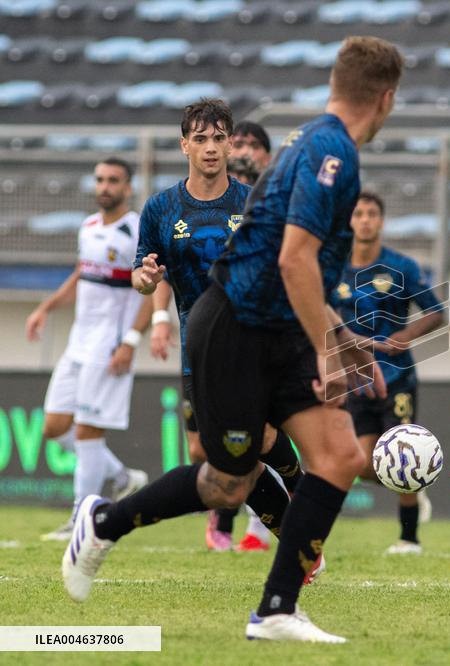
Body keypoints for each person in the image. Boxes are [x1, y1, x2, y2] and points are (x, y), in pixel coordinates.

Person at [62, 36, 403, 644]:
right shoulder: (334, 155)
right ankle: (105, 522)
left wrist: (344, 336)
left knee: (339, 457)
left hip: (266, 325)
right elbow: (296, 259)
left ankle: (276, 608)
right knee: (228, 481)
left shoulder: (311, 141)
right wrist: (327, 344)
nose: (216, 147)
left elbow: (292, 259)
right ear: (386, 98)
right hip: (237, 326)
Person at [141, 100, 304, 553]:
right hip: (198, 346)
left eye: (218, 138)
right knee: (209, 456)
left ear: (230, 144)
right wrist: (147, 284)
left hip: (252, 342)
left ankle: (298, 512)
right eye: (200, 139)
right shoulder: (160, 208)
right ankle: (296, 523)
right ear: (184, 146)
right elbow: (143, 272)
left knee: (256, 442)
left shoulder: (253, 204)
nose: (210, 148)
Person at [26, 158, 150, 541]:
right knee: (54, 426)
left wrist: (131, 341)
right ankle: (122, 477)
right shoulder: (88, 227)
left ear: (128, 187)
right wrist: (46, 307)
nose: (105, 186)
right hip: (78, 342)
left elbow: (154, 288)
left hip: (108, 346)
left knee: (87, 433)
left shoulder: (136, 231)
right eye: (100, 179)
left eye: (113, 180)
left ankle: (83, 518)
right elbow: (83, 274)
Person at [338, 191, 444, 555]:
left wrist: (405, 336)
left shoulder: (401, 267)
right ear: (349, 221)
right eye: (358, 213)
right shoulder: (334, 268)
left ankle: (409, 539)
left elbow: (435, 311)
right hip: (355, 380)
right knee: (364, 466)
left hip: (397, 376)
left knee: (403, 455)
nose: (365, 219)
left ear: (381, 221)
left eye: (371, 213)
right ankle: (416, 485)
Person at [225, 119, 288, 554]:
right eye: (238, 143)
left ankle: (272, 529)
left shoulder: (277, 199)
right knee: (225, 445)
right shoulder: (209, 203)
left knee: (264, 432)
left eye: (253, 144)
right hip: (222, 332)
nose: (244, 150)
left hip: (273, 330)